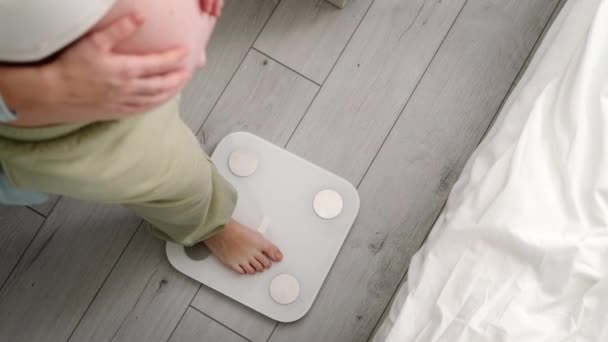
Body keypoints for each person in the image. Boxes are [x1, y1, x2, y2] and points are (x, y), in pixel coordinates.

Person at [0, 0, 283, 275]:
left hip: (109, 83)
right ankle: (210, 224)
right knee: (178, 180)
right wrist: (45, 87)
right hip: (70, 119)